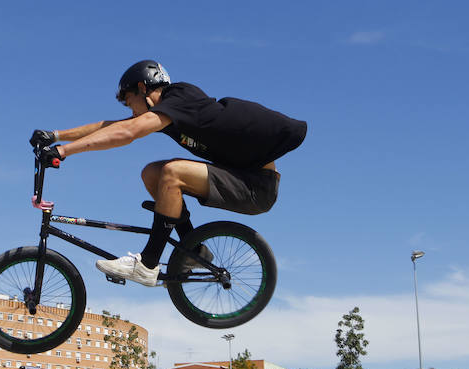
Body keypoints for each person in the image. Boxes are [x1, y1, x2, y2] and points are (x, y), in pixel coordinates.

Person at [31, 60, 306, 286]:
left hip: (256, 186)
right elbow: (111, 126)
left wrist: (64, 152)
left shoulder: (180, 97)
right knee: (153, 173)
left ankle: (148, 264)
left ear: (143, 88)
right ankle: (194, 250)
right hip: (239, 176)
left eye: (129, 103)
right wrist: (55, 135)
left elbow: (127, 132)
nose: (131, 111)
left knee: (172, 172)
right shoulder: (170, 112)